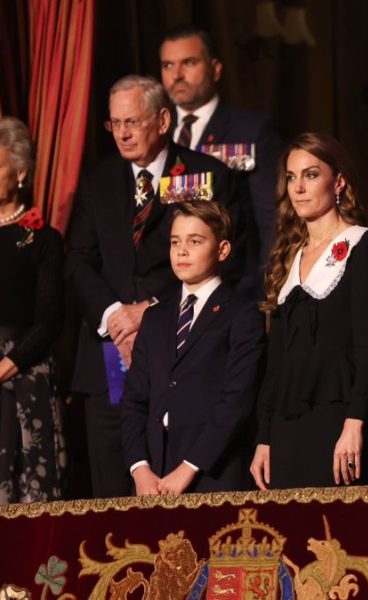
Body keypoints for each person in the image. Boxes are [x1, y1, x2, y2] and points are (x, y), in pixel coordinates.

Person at [66, 75, 241, 498]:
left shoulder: (208, 174)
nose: (122, 133)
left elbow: (232, 262)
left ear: (163, 120)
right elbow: (78, 260)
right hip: (107, 353)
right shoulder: (97, 179)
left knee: (172, 496)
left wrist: (148, 311)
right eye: (114, 124)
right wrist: (115, 316)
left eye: (132, 122)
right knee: (110, 493)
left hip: (181, 351)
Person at [249, 132, 368, 489]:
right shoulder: (289, 256)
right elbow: (276, 362)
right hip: (285, 428)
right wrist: (263, 439)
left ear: (338, 181)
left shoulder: (365, 243)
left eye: (311, 175)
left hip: (338, 422)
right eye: (291, 177)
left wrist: (355, 421)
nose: (298, 187)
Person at [121, 202, 264, 495]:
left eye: (194, 241)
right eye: (175, 242)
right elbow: (134, 400)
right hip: (154, 477)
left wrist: (189, 467)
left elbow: (236, 402)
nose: (181, 251)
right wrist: (140, 468)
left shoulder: (242, 314)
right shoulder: (155, 316)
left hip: (211, 475)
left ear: (222, 250)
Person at [160, 25, 282, 281]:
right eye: (168, 66)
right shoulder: (155, 133)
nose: (177, 75)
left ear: (215, 69)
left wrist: (262, 293)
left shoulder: (251, 130)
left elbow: (272, 221)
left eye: (188, 63)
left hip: (233, 285)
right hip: (166, 291)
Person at [0, 117, 67, 503]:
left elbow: (49, 321)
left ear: (21, 171)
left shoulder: (42, 239)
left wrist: (7, 365)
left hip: (23, 374)